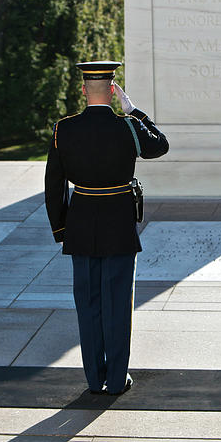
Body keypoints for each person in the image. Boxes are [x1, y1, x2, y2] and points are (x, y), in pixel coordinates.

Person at [44, 61, 169, 395]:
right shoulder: (127, 126)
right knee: (117, 303)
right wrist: (136, 112)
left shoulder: (64, 129)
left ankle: (93, 380)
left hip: (81, 224)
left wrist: (61, 230)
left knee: (88, 304)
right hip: (118, 223)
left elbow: (54, 185)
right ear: (113, 91)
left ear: (84, 90)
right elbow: (160, 145)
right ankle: (116, 380)